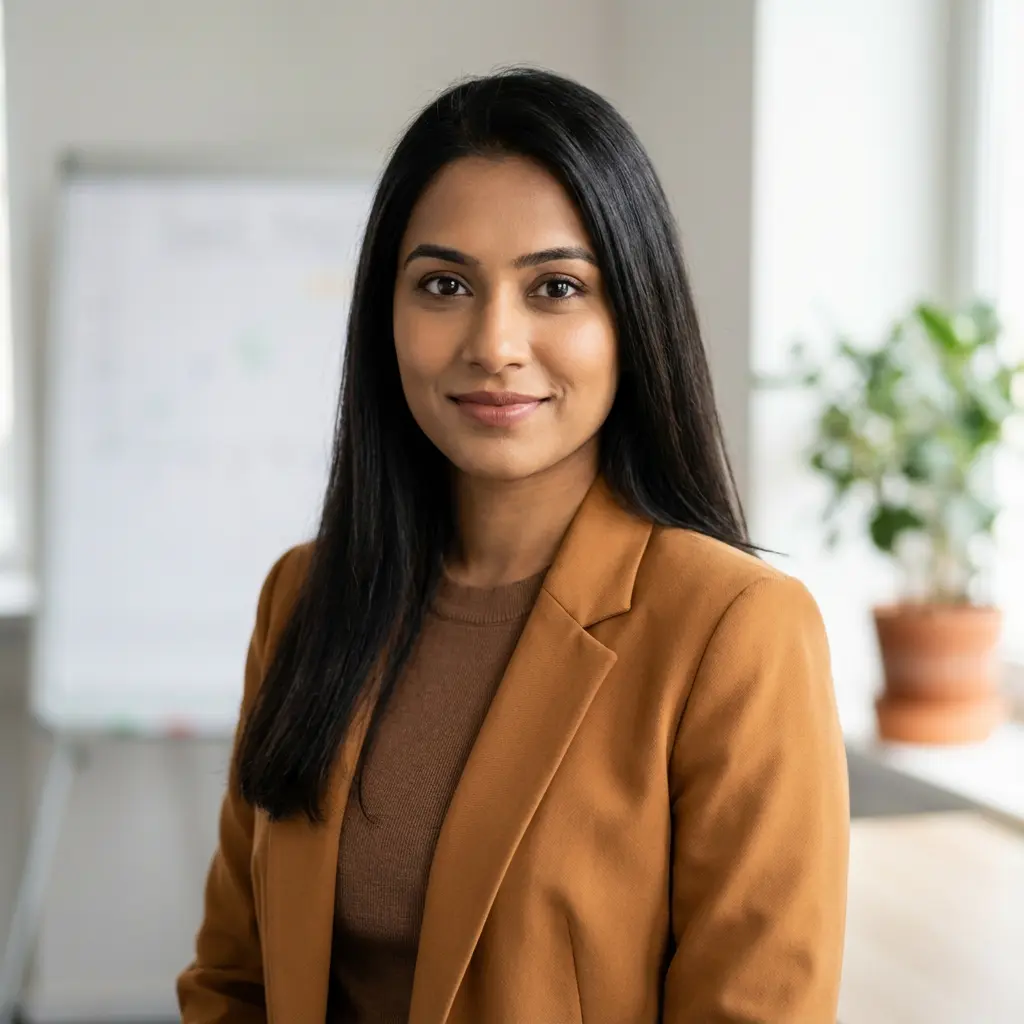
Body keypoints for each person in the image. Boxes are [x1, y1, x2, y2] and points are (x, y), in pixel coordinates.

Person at [177, 68, 849, 1024]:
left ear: (633, 320)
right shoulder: (306, 596)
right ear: (386, 316)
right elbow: (232, 983)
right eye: (444, 285)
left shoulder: (737, 632)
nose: (494, 343)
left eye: (556, 287)